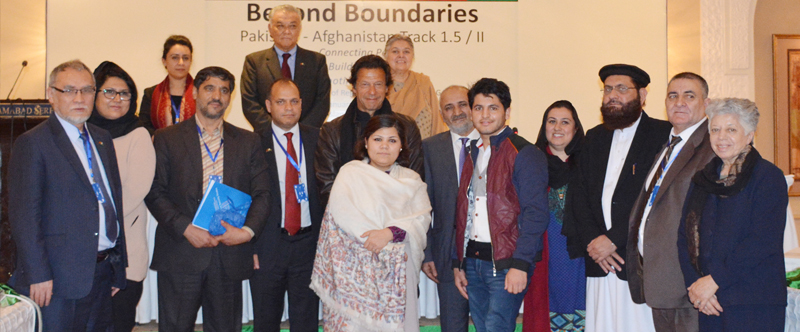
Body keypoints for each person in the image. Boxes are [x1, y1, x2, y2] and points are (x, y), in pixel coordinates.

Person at [145, 66, 270, 331]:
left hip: (229, 255)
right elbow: (155, 191)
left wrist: (246, 233)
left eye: (224, 90)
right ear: (194, 92)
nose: (217, 96)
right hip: (181, 251)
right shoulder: (167, 138)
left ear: (230, 97)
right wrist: (186, 229)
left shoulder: (248, 141)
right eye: (210, 88)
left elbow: (263, 194)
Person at [8, 59, 127, 331]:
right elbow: (24, 216)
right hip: (57, 279)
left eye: (87, 90)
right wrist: (38, 274)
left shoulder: (102, 138)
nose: (79, 98)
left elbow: (111, 203)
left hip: (101, 271)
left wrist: (117, 269)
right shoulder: (33, 143)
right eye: (69, 90)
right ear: (51, 95)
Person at [571, 64, 671, 332]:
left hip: (638, 259)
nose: (612, 95)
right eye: (608, 89)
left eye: (622, 89)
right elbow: (578, 196)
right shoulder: (593, 137)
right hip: (600, 260)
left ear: (642, 95)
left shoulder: (664, 135)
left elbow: (657, 199)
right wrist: (594, 241)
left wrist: (613, 240)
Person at [310, 114, 432, 332]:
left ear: (402, 146)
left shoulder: (412, 180)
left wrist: (390, 233)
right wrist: (372, 240)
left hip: (398, 276)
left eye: (392, 140)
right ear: (365, 142)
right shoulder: (350, 174)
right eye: (378, 139)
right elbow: (340, 220)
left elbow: (421, 220)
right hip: (353, 278)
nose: (384, 146)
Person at [677, 98, 787, 332]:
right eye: (715, 129)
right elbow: (684, 236)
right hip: (709, 302)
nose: (721, 137)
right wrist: (696, 287)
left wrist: (714, 281)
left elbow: (762, 241)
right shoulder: (702, 178)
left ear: (749, 135)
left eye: (731, 129)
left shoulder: (768, 178)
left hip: (753, 302)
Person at [451, 78, 549, 332]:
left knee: (497, 327)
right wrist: (458, 262)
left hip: (506, 263)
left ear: (506, 111)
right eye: (479, 107)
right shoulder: (472, 151)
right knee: (483, 328)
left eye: (493, 108)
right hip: (473, 262)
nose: (485, 115)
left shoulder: (524, 153)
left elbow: (536, 214)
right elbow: (464, 210)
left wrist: (520, 265)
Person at [626, 72, 716, 332]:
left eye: (690, 96)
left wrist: (707, 279)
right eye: (673, 96)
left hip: (690, 286)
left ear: (706, 104)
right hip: (661, 281)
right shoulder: (668, 146)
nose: (679, 102)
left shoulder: (711, 148)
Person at [87, 61, 156, 332]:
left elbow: (134, 191)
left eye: (124, 93)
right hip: (85, 256)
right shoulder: (84, 133)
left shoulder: (138, 134)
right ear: (94, 94)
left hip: (124, 256)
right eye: (109, 92)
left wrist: (89, 220)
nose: (117, 99)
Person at [250, 78, 323, 332]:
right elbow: (248, 196)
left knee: (306, 321)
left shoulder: (319, 138)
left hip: (309, 244)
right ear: (269, 105)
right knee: (266, 320)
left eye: (294, 101)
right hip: (268, 244)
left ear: (301, 104)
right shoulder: (252, 142)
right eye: (281, 102)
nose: (288, 108)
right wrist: (250, 245)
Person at [315, 54, 423, 208]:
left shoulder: (407, 127)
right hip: (348, 218)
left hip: (396, 217)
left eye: (378, 84)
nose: (372, 92)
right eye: (365, 84)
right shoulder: (332, 131)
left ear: (387, 88)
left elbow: (414, 180)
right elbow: (327, 186)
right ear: (354, 87)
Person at [523, 100, 587, 332]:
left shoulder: (589, 164)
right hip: (545, 256)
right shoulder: (531, 163)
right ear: (544, 126)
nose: (557, 127)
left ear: (576, 128)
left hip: (581, 257)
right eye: (552, 121)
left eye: (565, 122)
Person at [421, 85, 479, 332]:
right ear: (442, 115)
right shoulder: (429, 148)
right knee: (453, 326)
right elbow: (423, 206)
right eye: (449, 107)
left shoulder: (497, 144)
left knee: (492, 324)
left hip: (490, 255)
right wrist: (427, 253)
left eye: (462, 104)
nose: (457, 112)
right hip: (445, 254)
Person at [241, 4, 331, 129]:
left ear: (299, 29)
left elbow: (322, 103)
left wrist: (300, 132)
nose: (287, 31)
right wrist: (274, 131)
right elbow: (249, 103)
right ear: (270, 29)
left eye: (292, 26)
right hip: (266, 138)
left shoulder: (316, 61)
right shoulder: (254, 62)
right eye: (280, 26)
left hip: (306, 139)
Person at [384, 34, 447, 139]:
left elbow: (437, 122)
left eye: (406, 52)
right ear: (386, 56)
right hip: (388, 152)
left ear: (412, 56)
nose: (401, 55)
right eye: (395, 51)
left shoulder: (423, 83)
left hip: (423, 153)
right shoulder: (380, 85)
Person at [140, 35, 195, 135]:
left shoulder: (201, 93)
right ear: (164, 61)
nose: (181, 63)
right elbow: (144, 128)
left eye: (186, 58)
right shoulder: (150, 94)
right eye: (175, 58)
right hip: (160, 149)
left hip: (194, 149)